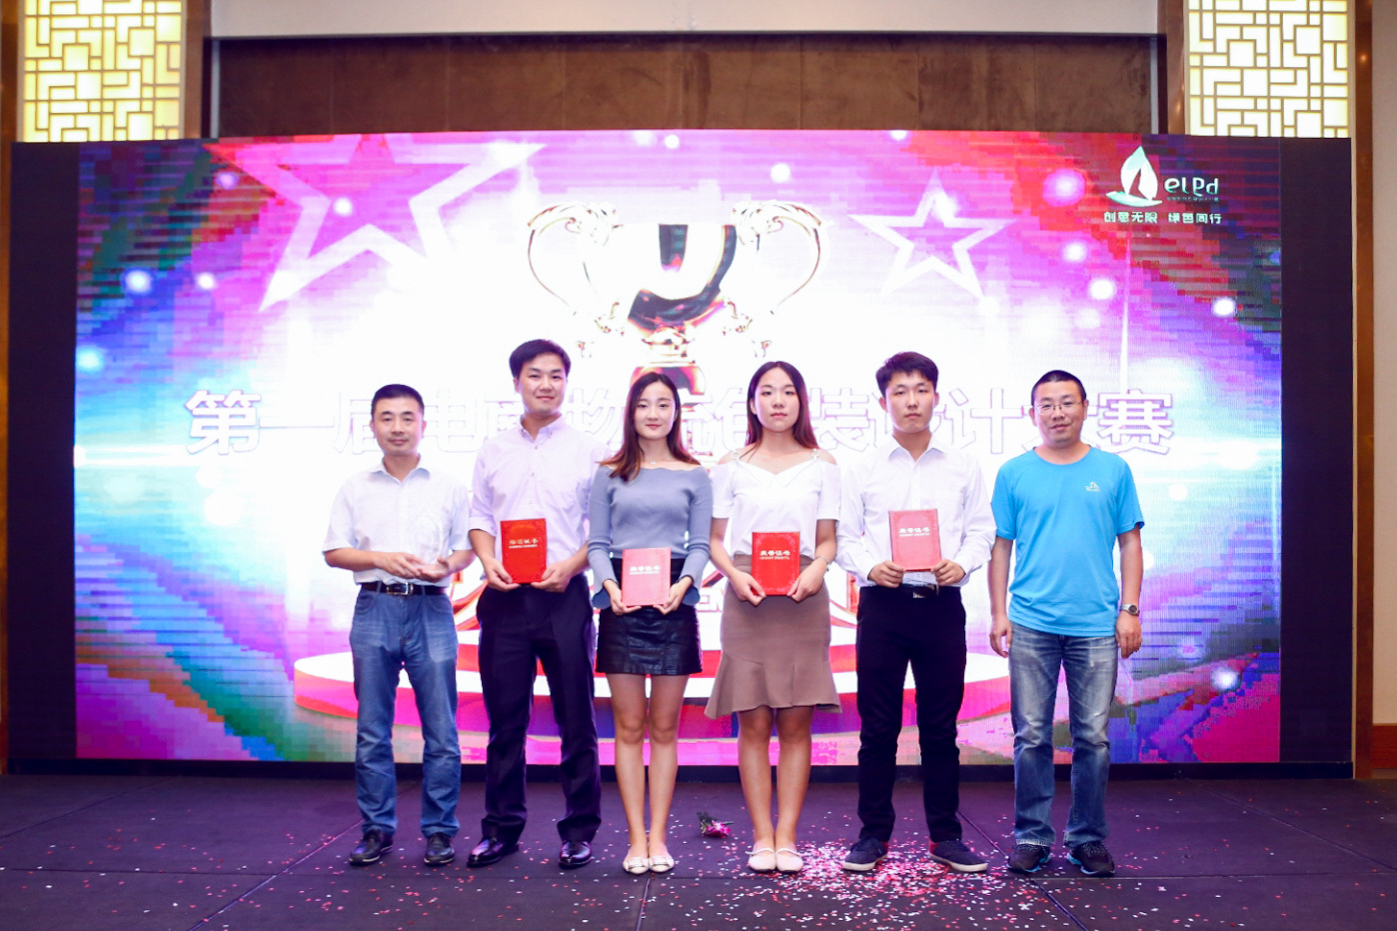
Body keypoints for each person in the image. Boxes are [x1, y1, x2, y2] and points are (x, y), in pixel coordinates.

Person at [836, 352, 996, 874]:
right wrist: (869, 567)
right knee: (878, 728)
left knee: (940, 729)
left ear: (936, 396)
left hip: (941, 605)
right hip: (883, 606)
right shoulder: (862, 466)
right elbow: (843, 536)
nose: (911, 401)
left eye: (921, 389)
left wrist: (962, 564)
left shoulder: (962, 464)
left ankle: (946, 836)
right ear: (883, 401)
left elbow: (982, 530)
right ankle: (872, 835)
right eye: (900, 391)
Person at [988, 369, 1144, 878]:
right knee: (1031, 735)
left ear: (1085, 407)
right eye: (1047, 404)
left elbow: (1130, 543)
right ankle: (1032, 837)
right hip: (1031, 621)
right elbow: (1001, 548)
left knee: (1092, 737)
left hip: (1096, 625)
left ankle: (1087, 838)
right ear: (1031, 413)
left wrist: (1130, 609)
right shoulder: (1014, 473)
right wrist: (998, 612)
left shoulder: (1113, 470)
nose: (1057, 412)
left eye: (1067, 402)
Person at [466, 339, 607, 870]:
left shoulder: (590, 449)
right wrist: (487, 560)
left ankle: (579, 831)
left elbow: (602, 528)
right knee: (506, 723)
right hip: (505, 599)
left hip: (564, 597)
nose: (546, 384)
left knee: (577, 719)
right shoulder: (493, 449)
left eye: (555, 375)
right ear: (516, 382)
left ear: (566, 383)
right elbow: (480, 517)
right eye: (534, 375)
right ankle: (501, 830)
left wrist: (571, 566)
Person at [323, 383, 474, 867]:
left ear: (423, 425)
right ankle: (376, 829)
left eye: (407, 417)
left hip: (431, 609)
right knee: (372, 729)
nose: (397, 427)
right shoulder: (355, 487)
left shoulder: (449, 486)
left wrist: (447, 566)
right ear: (371, 426)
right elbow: (334, 552)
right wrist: (380, 559)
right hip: (375, 607)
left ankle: (439, 831)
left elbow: (465, 548)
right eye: (386, 418)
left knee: (442, 730)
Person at [704, 360, 840, 875]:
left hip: (804, 595)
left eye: (787, 391)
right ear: (752, 401)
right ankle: (762, 836)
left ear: (801, 401)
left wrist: (818, 568)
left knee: (797, 723)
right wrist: (733, 576)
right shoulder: (731, 464)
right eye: (767, 391)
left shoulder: (823, 463)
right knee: (754, 722)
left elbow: (828, 539)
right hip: (749, 595)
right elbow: (715, 540)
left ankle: (788, 837)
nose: (778, 400)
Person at [587, 371, 713, 875]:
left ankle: (657, 837)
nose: (654, 413)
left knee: (664, 729)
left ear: (676, 412)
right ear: (631, 411)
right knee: (628, 727)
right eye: (644, 404)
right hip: (621, 600)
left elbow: (700, 545)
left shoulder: (694, 474)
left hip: (672, 600)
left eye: (664, 404)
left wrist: (685, 584)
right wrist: (610, 586)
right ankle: (634, 838)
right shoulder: (608, 473)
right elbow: (598, 544)